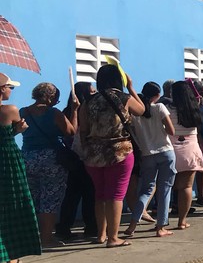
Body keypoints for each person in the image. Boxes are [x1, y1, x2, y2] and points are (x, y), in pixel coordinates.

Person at [78, 64, 145, 247]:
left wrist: (87, 148)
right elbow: (142, 110)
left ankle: (101, 234)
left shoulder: (88, 101)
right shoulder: (124, 98)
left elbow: (83, 129)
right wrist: (131, 87)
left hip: (93, 154)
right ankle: (113, 237)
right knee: (115, 195)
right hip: (119, 151)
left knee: (99, 194)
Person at [19, 82, 78, 247]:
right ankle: (46, 239)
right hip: (51, 159)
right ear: (50, 97)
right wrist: (74, 110)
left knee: (33, 199)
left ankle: (32, 237)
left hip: (28, 157)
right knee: (50, 200)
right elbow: (71, 132)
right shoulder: (53, 113)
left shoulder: (23, 111)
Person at [0, 72, 42, 263]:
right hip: (8, 159)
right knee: (15, 202)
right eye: (10, 87)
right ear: (2, 89)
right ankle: (13, 255)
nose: (11, 90)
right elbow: (8, 135)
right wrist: (18, 131)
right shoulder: (10, 110)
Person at [125, 81, 176, 237]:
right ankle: (161, 227)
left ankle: (132, 225)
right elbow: (171, 131)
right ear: (157, 95)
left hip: (147, 154)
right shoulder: (160, 107)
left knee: (146, 190)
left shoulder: (135, 114)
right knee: (165, 190)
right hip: (165, 151)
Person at [56, 81, 98, 241]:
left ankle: (65, 227)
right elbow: (72, 133)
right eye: (92, 92)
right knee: (87, 194)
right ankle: (90, 226)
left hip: (73, 158)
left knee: (73, 195)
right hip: (81, 156)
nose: (94, 94)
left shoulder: (66, 111)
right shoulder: (80, 111)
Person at [168, 81, 203, 227]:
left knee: (168, 186)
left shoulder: (166, 109)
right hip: (190, 150)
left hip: (171, 150)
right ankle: (182, 221)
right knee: (186, 187)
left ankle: (162, 220)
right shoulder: (195, 110)